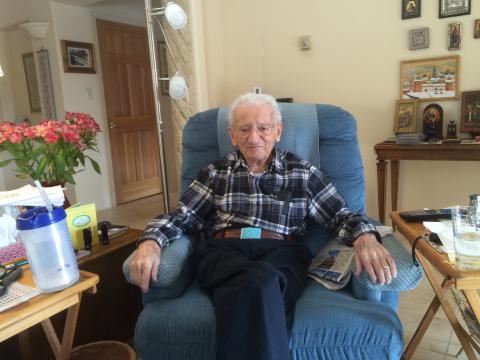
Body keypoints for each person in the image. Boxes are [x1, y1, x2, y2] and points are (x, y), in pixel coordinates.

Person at [130, 93, 397, 360]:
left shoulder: (302, 173)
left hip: (283, 251)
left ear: (278, 131)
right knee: (264, 286)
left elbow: (341, 215)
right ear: (232, 135)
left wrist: (366, 239)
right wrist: (150, 241)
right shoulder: (215, 173)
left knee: (260, 282)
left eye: (263, 128)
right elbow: (183, 216)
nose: (254, 137)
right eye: (244, 129)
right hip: (223, 251)